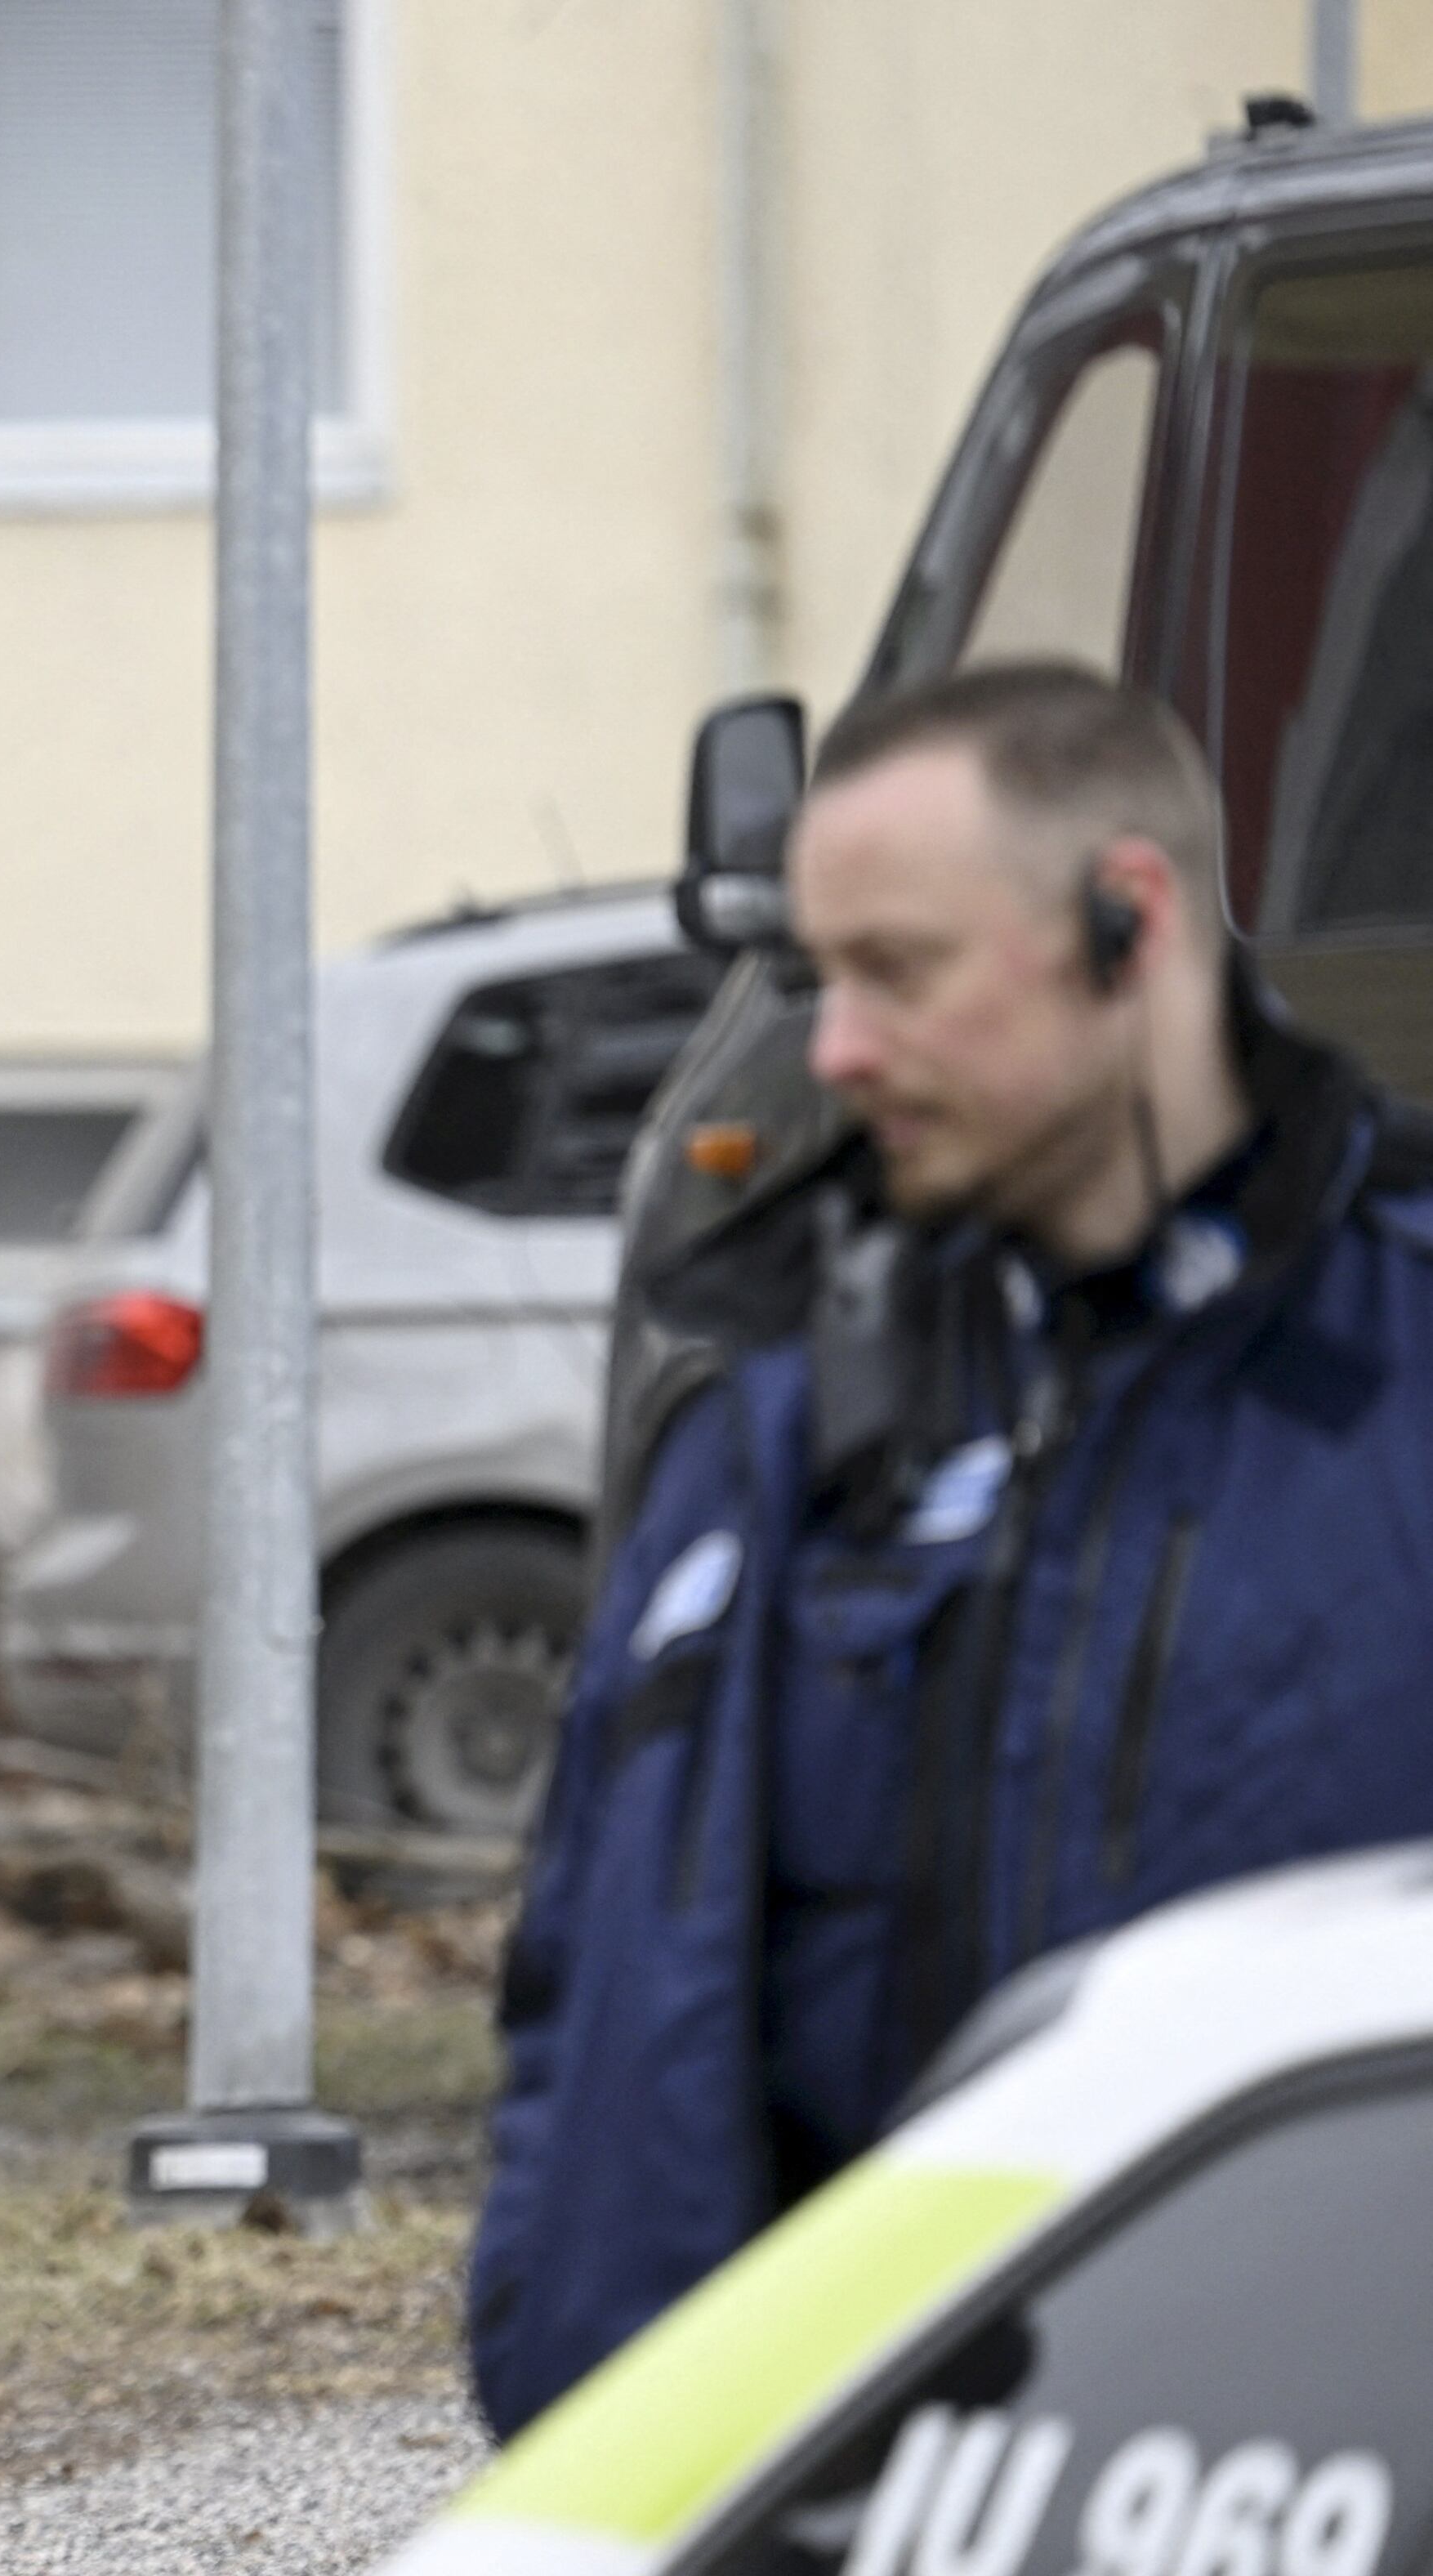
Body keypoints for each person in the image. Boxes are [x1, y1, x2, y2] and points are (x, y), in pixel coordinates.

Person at [469, 664, 1433, 2434]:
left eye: (894, 971)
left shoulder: (1396, 1392)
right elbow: (582, 2004)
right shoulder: (765, 1433)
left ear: (1122, 919)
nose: (831, 1048)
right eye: (820, 977)